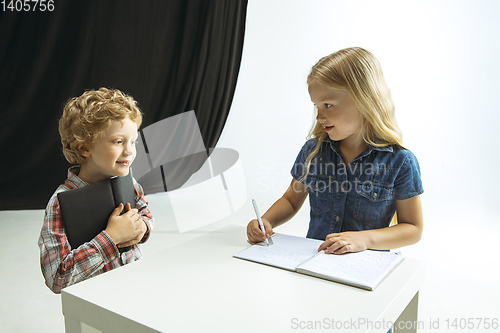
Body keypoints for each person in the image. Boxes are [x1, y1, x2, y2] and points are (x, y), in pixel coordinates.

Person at [247, 47, 423, 255]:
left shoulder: (400, 161)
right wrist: (266, 220)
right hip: (315, 261)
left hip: (364, 268)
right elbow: (290, 201)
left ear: (363, 100)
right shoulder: (313, 152)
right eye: (316, 106)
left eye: (328, 105)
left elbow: (413, 228)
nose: (319, 116)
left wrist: (365, 239)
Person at [38, 88, 154, 294]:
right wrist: (111, 238)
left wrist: (141, 228)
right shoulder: (61, 202)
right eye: (118, 141)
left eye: (133, 141)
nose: (129, 151)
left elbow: (146, 214)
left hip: (136, 290)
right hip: (94, 305)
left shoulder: (128, 181)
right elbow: (57, 278)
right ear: (85, 148)